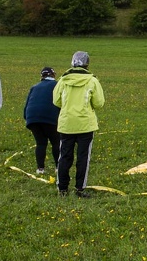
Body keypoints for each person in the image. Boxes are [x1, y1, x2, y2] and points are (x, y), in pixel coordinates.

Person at [53, 51, 105, 198]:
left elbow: (56, 101)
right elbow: (99, 103)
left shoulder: (62, 81)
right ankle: (80, 188)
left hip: (66, 124)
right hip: (85, 125)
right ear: (87, 64)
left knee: (64, 157)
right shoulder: (92, 81)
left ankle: (62, 188)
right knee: (83, 157)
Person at [24, 67, 61, 174]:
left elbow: (26, 106)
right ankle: (58, 167)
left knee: (40, 143)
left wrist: (28, 118)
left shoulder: (34, 87)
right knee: (56, 142)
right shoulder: (57, 85)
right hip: (50, 117)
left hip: (32, 118)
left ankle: (40, 169)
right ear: (53, 75)